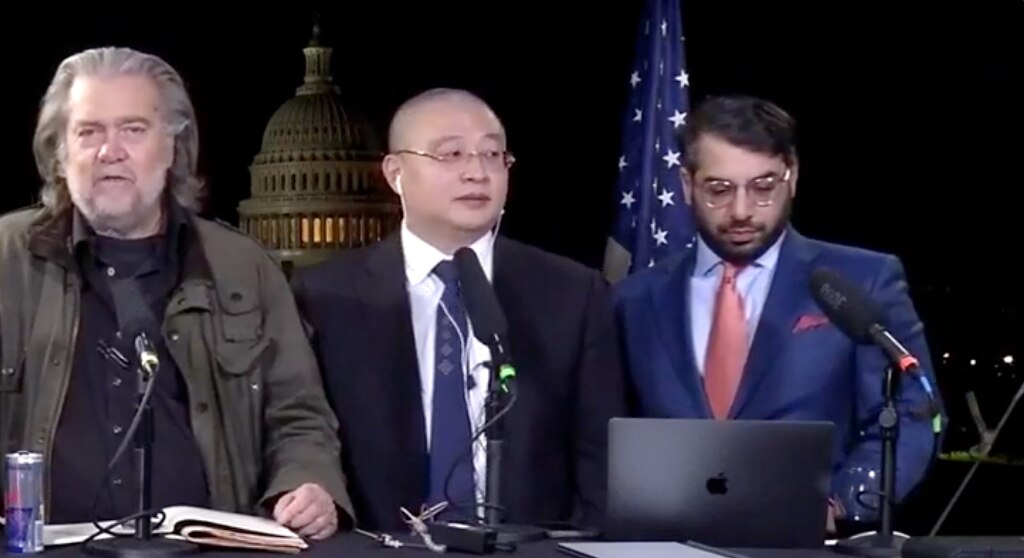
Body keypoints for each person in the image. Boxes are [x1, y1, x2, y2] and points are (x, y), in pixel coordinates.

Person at [0, 46, 349, 541]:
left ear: (174, 147)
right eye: (88, 132)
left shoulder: (243, 265)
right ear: (61, 154)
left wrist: (308, 484)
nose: (109, 150)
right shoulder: (3, 256)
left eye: (132, 130)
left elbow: (300, 413)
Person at [293, 89, 625, 533]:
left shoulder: (572, 293)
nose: (477, 172)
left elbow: (599, 461)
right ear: (395, 172)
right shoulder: (323, 297)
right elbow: (303, 435)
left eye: (492, 154)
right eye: (451, 155)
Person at [613, 95, 939, 522]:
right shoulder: (633, 299)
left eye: (763, 187)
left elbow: (913, 415)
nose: (742, 211)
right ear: (686, 184)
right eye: (719, 190)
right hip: (667, 554)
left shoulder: (863, 281)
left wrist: (841, 505)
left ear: (793, 176)